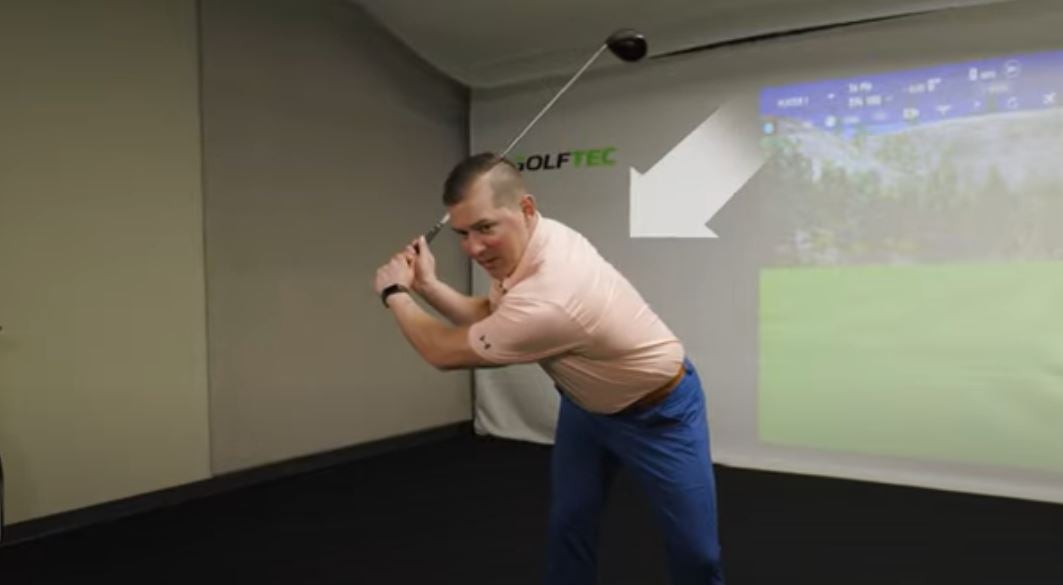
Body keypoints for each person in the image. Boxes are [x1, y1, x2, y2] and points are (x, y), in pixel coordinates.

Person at [372, 153, 725, 585]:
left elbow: (443, 352)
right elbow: (492, 314)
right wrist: (427, 285)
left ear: (526, 208)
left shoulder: (553, 292)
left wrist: (395, 293)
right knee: (569, 525)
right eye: (463, 233)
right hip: (584, 410)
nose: (473, 248)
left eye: (485, 228)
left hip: (660, 413)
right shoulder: (533, 243)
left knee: (697, 555)